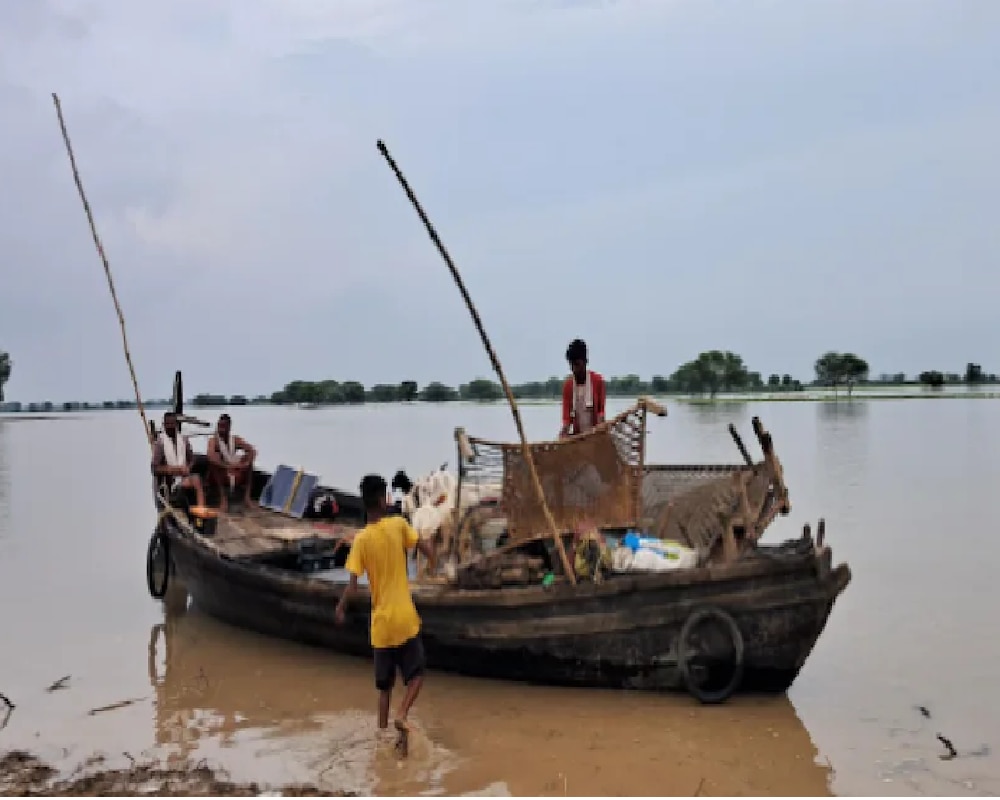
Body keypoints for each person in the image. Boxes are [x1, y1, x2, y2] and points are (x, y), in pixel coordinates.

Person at [335, 474, 436, 756]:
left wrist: (341, 607)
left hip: (380, 627)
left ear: (365, 503)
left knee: (384, 689)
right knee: (415, 677)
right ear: (384, 500)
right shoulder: (398, 525)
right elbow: (424, 548)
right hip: (404, 620)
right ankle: (402, 714)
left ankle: (382, 738)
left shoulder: (361, 540)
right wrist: (434, 556)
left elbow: (353, 587)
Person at [151, 411, 206, 507]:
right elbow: (154, 468)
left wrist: (188, 468)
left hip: (183, 479)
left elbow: (191, 459)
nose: (170, 426)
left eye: (172, 423)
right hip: (168, 484)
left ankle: (201, 508)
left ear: (176, 424)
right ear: (164, 425)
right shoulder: (160, 444)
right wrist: (174, 470)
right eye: (167, 424)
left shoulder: (184, 440)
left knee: (197, 479)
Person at [206, 413, 257, 510]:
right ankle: (223, 499)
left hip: (234, 472)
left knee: (249, 462)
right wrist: (227, 467)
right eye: (219, 426)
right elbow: (210, 456)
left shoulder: (235, 440)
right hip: (221, 473)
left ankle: (247, 497)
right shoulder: (213, 441)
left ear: (229, 427)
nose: (221, 429)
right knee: (214, 463)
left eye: (223, 426)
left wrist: (244, 464)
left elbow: (252, 450)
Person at [560, 338, 606, 438]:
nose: (574, 369)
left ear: (585, 362)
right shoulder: (568, 386)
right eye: (571, 365)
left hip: (596, 435)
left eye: (577, 364)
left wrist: (599, 432)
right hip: (578, 438)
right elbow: (567, 420)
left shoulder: (597, 381)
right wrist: (562, 435)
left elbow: (600, 414)